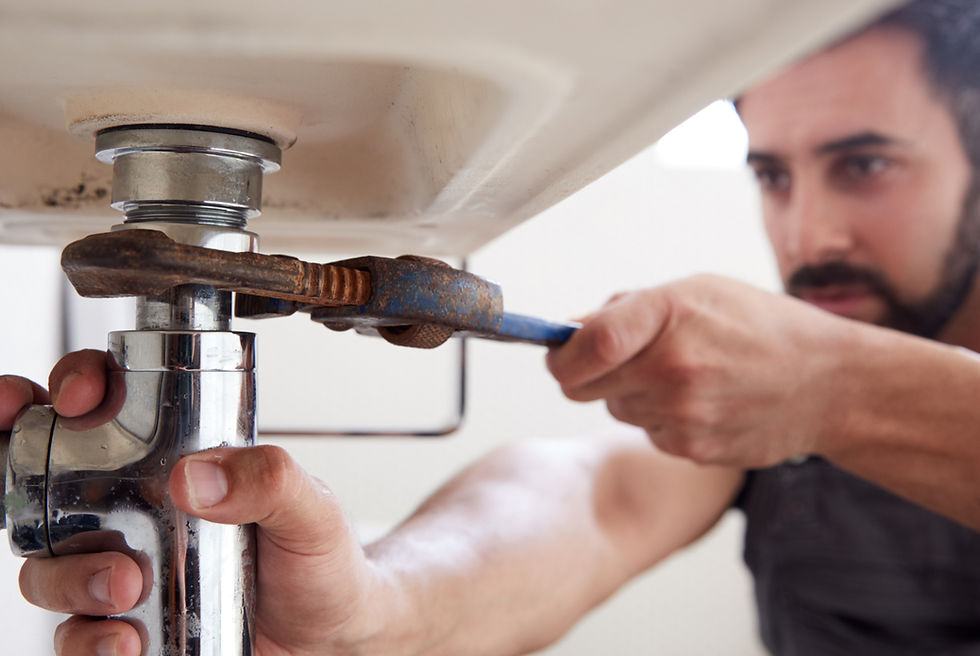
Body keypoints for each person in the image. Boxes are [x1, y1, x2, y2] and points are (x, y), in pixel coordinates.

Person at [3, 1, 980, 654]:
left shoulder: (815, 377)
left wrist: (835, 386)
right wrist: (371, 609)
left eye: (864, 165)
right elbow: (588, 499)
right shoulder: (769, 426)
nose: (808, 233)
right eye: (771, 173)